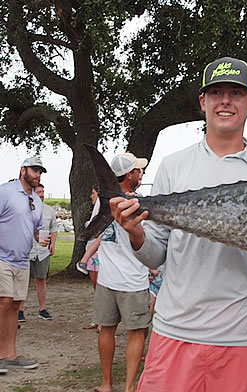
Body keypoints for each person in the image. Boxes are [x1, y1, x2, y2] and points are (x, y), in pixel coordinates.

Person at [109, 57, 247, 392]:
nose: (225, 101)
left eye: (236, 93)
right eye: (216, 92)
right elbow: (156, 254)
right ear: (202, 102)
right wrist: (135, 233)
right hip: (174, 334)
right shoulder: (174, 165)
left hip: (243, 338)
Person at [93, 152, 150, 392]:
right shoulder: (139, 204)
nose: (141, 174)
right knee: (137, 333)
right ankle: (129, 387)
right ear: (129, 175)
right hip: (133, 281)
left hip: (106, 278)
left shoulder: (102, 201)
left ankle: (106, 384)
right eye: (138, 170)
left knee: (106, 329)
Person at [0, 157, 48, 374]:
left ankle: (10, 355)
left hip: (22, 260)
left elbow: (36, 229)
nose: (37, 175)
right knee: (4, 302)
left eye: (40, 172)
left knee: (14, 306)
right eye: (34, 171)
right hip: (2, 258)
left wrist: (40, 238)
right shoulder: (6, 191)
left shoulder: (37, 202)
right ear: (23, 170)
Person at [18, 183, 58, 321]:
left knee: (41, 279)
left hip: (43, 251)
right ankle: (20, 310)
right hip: (27, 250)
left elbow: (54, 227)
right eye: (39, 192)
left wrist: (53, 244)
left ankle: (42, 309)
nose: (42, 194)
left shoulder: (49, 210)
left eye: (43, 191)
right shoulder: (24, 209)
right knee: (23, 281)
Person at [79, 184, 101, 329]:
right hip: (93, 252)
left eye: (93, 193)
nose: (91, 196)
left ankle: (102, 321)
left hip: (96, 253)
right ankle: (98, 319)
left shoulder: (101, 212)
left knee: (99, 288)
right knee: (96, 289)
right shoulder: (95, 211)